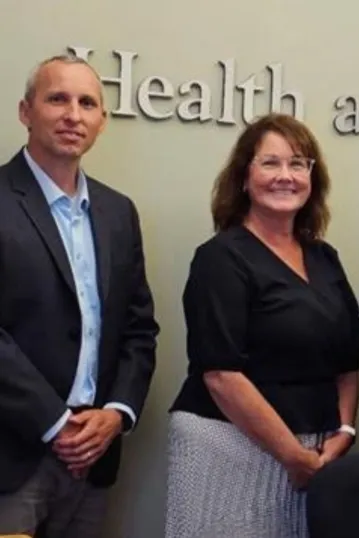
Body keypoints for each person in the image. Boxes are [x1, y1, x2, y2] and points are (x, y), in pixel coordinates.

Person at [164, 113, 359, 538]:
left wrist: (344, 431)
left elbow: (349, 364)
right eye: (270, 163)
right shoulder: (220, 258)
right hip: (228, 450)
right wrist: (292, 456)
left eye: (298, 164)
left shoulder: (324, 257)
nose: (285, 176)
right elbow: (220, 374)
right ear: (244, 177)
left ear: (313, 177)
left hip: (316, 456)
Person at [0, 54, 159, 537]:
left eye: (87, 103)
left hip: (94, 459)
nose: (73, 114)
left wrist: (117, 413)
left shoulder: (117, 212)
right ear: (26, 111)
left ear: (101, 121)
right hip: (12, 458)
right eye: (57, 99)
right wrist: (53, 422)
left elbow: (138, 328)